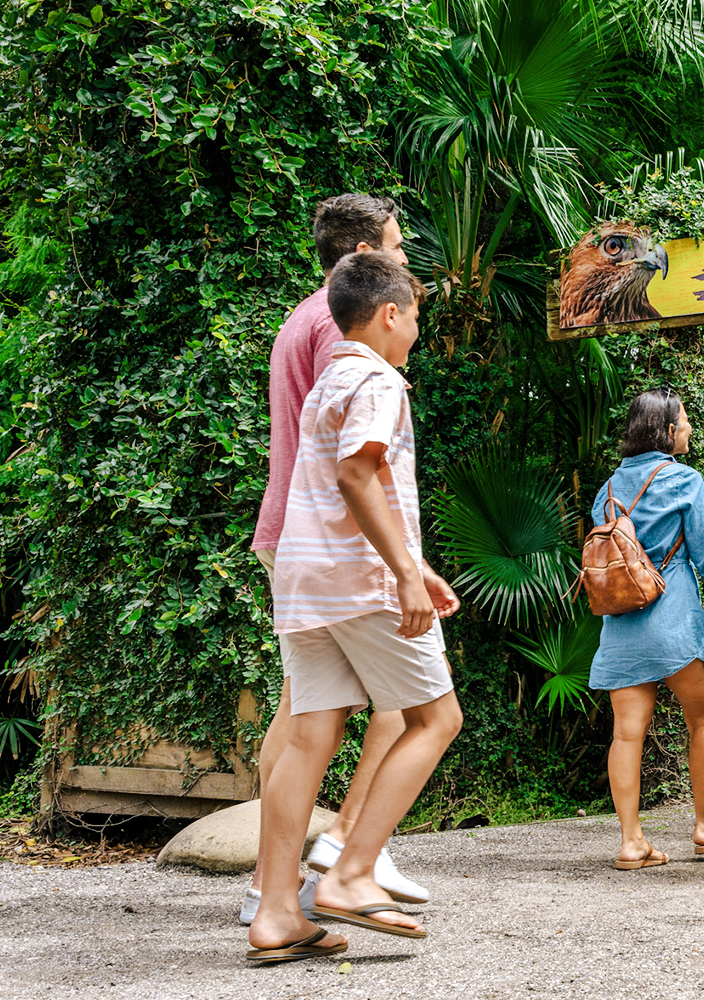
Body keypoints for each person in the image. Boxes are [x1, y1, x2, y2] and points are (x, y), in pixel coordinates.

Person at [246, 251, 464, 963]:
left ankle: (278, 913)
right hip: (359, 582)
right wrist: (404, 574)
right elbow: (357, 472)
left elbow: (343, 486)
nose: (417, 335)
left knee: (309, 737)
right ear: (390, 313)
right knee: (438, 717)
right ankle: (350, 870)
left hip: (306, 581)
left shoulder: (329, 377)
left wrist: (417, 568)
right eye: (417, 319)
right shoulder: (377, 378)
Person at [590, 388, 704, 870]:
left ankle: (632, 842)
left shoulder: (607, 490)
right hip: (675, 622)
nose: (691, 429)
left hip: (622, 626)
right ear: (668, 430)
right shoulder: (684, 480)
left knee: (626, 736)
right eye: (686, 421)